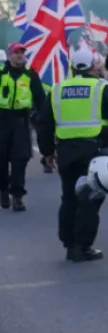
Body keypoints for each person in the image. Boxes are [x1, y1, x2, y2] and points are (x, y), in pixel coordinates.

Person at [36, 48, 108, 261]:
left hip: (65, 151)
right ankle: (83, 245)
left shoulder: (57, 89)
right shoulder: (102, 87)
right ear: (94, 66)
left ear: (72, 68)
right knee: (91, 197)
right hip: (94, 151)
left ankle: (68, 243)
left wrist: (46, 152)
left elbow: (43, 123)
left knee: (69, 197)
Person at [0, 42, 44, 211]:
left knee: (20, 159)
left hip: (21, 122)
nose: (19, 55)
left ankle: (17, 195)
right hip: (1, 121)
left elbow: (40, 100)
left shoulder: (30, 75)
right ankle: (3, 189)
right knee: (1, 160)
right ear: (10, 55)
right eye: (16, 52)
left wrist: (43, 120)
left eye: (22, 53)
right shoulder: (1, 74)